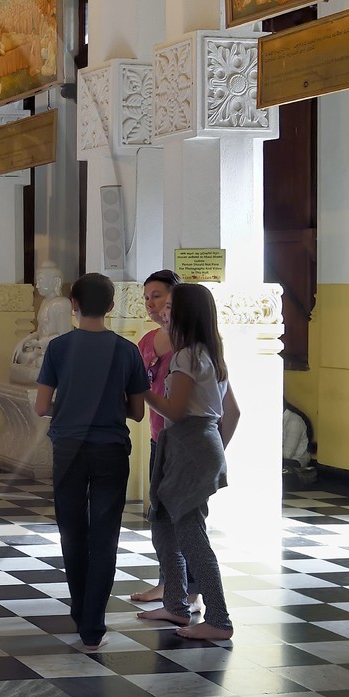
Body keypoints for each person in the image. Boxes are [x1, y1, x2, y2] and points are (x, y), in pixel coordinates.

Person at [31, 273, 150, 651]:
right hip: (111, 449)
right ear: (112, 307)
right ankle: (93, 624)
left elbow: (41, 406)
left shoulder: (58, 348)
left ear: (75, 306)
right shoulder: (128, 350)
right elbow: (138, 412)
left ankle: (79, 607)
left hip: (68, 448)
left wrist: (68, 408)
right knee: (105, 534)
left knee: (72, 530)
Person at [140, 283, 241, 642]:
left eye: (170, 307)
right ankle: (176, 604)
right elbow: (233, 414)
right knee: (164, 523)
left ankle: (219, 619)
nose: (163, 311)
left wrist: (138, 390)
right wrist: (213, 451)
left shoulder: (186, 357)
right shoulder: (210, 354)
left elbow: (176, 410)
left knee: (191, 535)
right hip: (195, 446)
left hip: (188, 446)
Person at [130, 271, 191, 605]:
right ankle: (169, 581)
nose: (151, 304)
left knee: (185, 519)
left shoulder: (190, 345)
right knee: (161, 516)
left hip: (185, 441)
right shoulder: (146, 341)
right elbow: (136, 388)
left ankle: (188, 589)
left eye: (158, 296)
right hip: (158, 438)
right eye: (147, 297)